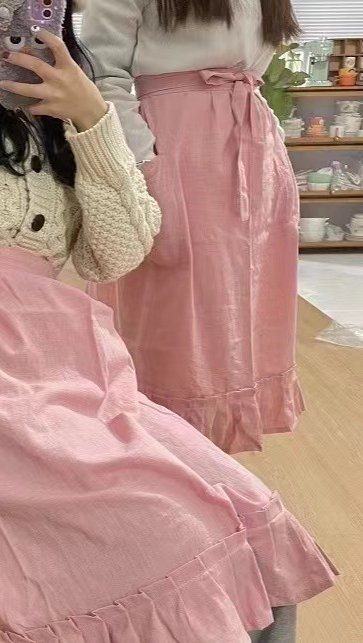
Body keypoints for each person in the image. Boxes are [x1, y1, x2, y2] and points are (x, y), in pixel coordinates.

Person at [0, 1, 335, 643]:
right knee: (171, 534)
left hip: (55, 359)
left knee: (250, 526)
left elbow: (117, 253)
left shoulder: (81, 99)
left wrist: (91, 120)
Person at [83, 0, 305, 454]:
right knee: (175, 309)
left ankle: (217, 457)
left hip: (254, 148)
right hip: (176, 149)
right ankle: (164, 452)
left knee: (244, 304)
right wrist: (144, 162)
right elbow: (101, 76)